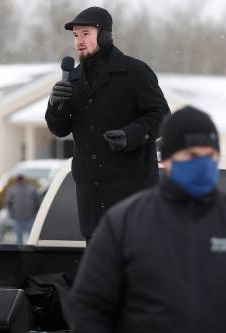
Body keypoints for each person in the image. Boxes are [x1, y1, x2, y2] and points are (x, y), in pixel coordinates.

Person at [69, 106, 226, 332]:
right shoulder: (126, 223)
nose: (202, 163)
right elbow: (91, 305)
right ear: (168, 160)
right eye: (191, 155)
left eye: (209, 155)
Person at [45, 6, 170, 241]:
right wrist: (55, 104)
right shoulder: (73, 78)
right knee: (100, 268)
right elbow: (59, 129)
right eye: (75, 36)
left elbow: (162, 116)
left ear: (104, 35)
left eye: (86, 34)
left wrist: (130, 135)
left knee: (133, 267)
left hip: (133, 192)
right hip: (91, 196)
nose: (79, 42)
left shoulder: (134, 72)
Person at [4, 174, 40, 245]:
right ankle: (21, 254)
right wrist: (12, 214)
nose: (20, 181)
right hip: (18, 219)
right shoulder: (12, 190)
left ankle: (29, 254)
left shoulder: (31, 189)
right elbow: (8, 204)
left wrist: (35, 214)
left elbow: (37, 202)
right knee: (20, 241)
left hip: (29, 218)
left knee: (31, 240)